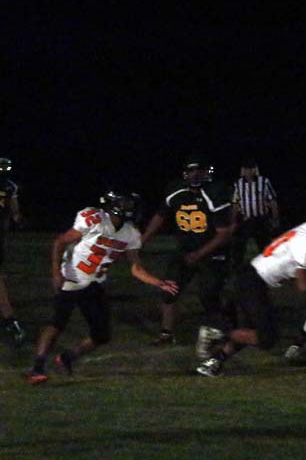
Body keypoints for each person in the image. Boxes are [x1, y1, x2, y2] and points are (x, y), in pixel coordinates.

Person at [28, 191, 178, 384]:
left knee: (101, 335)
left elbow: (136, 268)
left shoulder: (130, 233)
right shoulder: (95, 219)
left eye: (131, 204)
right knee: (57, 324)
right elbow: (60, 241)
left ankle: (66, 358)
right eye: (125, 203)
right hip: (71, 279)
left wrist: (158, 282)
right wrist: (56, 272)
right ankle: (37, 369)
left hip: (94, 283)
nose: (130, 208)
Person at [195, 220, 306, 377]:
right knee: (267, 338)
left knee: (248, 331)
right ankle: (219, 333)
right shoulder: (304, 247)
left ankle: (213, 363)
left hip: (250, 276)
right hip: (253, 282)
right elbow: (305, 286)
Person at [141, 155, 235, 346]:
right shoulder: (176, 191)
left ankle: (227, 325)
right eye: (191, 170)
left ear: (206, 172)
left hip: (212, 252)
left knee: (208, 295)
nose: (195, 174)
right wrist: (142, 240)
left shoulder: (214, 193)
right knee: (169, 289)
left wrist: (199, 254)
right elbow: (160, 215)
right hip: (185, 250)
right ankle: (166, 333)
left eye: (199, 170)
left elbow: (224, 234)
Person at [231, 158, 279, 268]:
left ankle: (268, 267)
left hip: (261, 219)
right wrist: (233, 221)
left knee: (264, 245)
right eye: (246, 169)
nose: (248, 172)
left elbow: (272, 201)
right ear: (243, 171)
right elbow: (235, 203)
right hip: (246, 219)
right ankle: (237, 267)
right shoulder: (238, 184)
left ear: (255, 170)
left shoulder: (264, 181)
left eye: (250, 169)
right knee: (239, 245)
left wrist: (275, 218)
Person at [0, 157, 25, 345]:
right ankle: (10, 320)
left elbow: (14, 213)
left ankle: (10, 320)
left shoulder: (10, 187)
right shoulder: (10, 186)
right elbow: (15, 213)